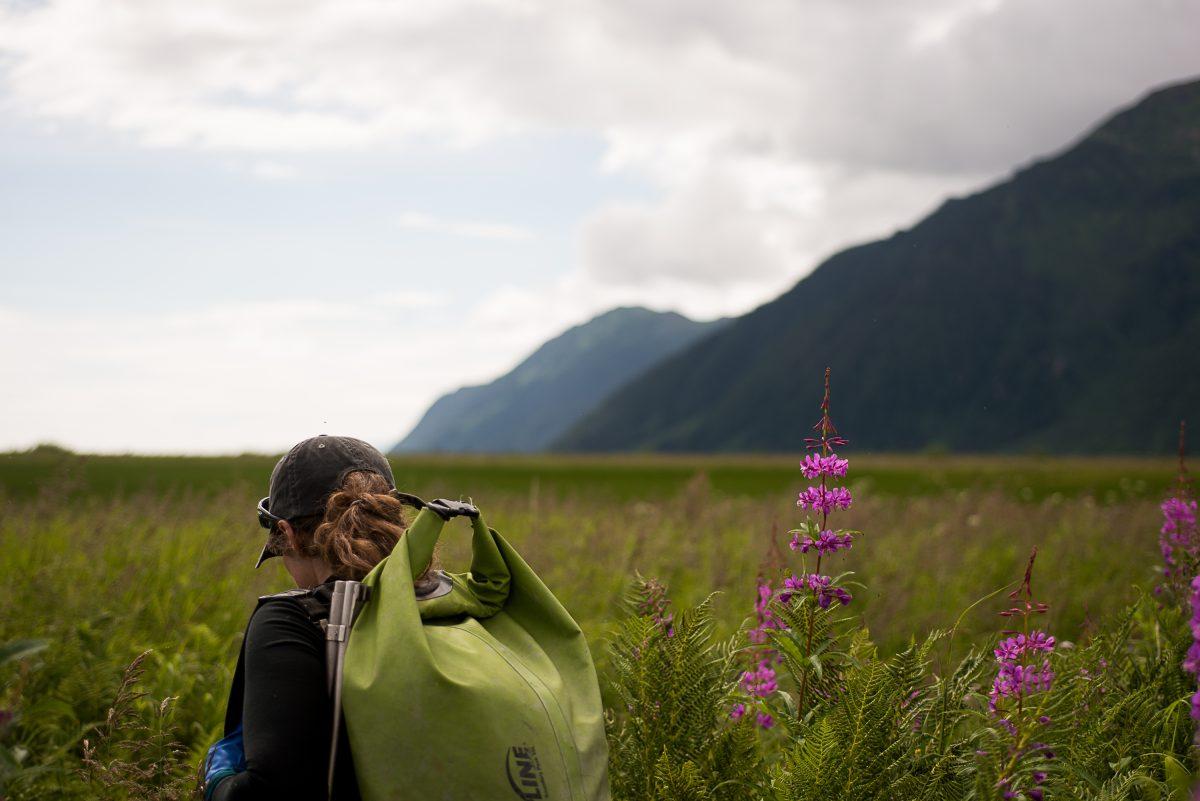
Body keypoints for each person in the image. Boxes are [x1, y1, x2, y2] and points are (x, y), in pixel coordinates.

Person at [204, 434, 439, 801]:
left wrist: (216, 780)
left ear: (287, 534)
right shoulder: (447, 599)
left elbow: (269, 793)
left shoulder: (291, 621)